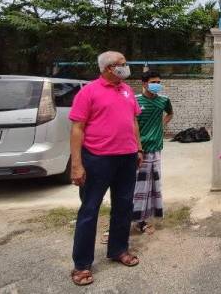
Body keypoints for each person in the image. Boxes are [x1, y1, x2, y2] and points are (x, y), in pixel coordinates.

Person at [69, 51, 143, 286]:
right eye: (122, 64)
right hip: (98, 160)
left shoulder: (127, 90)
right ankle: (81, 265)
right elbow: (77, 128)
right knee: (89, 210)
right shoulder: (88, 92)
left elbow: (133, 121)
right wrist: (77, 164)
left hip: (127, 159)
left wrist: (138, 149)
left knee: (123, 206)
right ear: (109, 68)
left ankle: (118, 250)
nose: (126, 67)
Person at [132, 71, 173, 234]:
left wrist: (161, 125)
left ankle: (145, 218)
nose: (157, 84)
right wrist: (138, 148)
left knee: (153, 186)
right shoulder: (135, 101)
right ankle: (133, 219)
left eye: (158, 81)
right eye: (153, 81)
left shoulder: (164, 101)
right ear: (144, 83)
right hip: (139, 150)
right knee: (138, 186)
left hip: (156, 149)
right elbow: (131, 124)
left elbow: (170, 114)